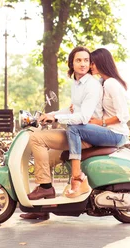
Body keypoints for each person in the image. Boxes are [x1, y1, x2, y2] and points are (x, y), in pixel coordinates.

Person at [20, 46, 102, 220]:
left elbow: (84, 117)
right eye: (78, 60)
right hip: (76, 133)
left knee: (36, 139)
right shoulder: (77, 83)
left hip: (86, 135)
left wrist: (57, 119)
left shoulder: (91, 85)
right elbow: (72, 109)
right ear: (72, 63)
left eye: (86, 60)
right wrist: (52, 114)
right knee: (46, 159)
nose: (82, 64)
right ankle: (42, 207)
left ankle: (45, 187)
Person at [63, 48, 130, 198]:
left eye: (91, 63)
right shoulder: (101, 82)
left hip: (116, 133)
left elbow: (123, 115)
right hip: (109, 130)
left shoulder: (111, 83)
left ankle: (77, 177)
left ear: (100, 63)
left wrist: (102, 123)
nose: (88, 66)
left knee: (74, 129)